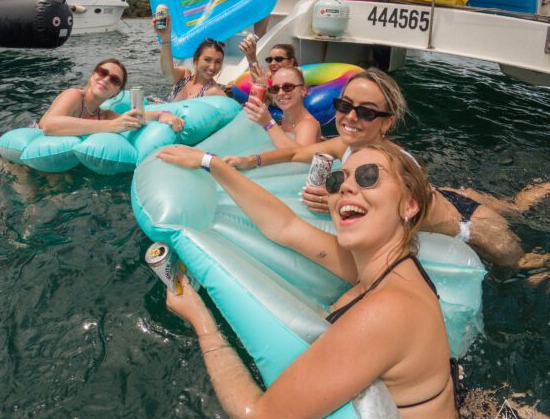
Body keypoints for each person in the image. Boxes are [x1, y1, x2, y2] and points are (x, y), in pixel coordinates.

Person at [159, 140, 460, 419]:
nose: (347, 188)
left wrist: (201, 322)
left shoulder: (389, 310)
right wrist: (211, 163)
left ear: (410, 204)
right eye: (337, 181)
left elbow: (258, 416)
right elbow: (285, 227)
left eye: (369, 176)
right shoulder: (385, 269)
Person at [225, 68, 550, 275]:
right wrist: (249, 162)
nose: (351, 117)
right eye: (344, 106)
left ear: (387, 122)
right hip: (450, 195)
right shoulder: (345, 144)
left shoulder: (393, 164)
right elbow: (297, 152)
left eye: (366, 112)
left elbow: (397, 216)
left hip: (468, 225)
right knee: (515, 205)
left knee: (520, 264)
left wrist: (337, 200)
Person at [39, 58, 184, 135]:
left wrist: (163, 114)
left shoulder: (105, 115)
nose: (106, 79)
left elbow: (138, 117)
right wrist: (112, 126)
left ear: (116, 92)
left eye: (115, 80)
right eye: (102, 72)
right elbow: (48, 125)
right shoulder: (75, 96)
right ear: (92, 75)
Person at [152, 13, 227, 100]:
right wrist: (165, 37)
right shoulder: (183, 75)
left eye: (218, 62)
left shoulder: (215, 93)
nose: (212, 67)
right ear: (196, 60)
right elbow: (167, 72)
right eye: (207, 60)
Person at [245, 66, 321, 148]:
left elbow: (301, 156)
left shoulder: (308, 125)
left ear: (303, 90)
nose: (280, 93)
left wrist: (268, 123)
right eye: (275, 88)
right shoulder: (281, 125)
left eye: (288, 87)